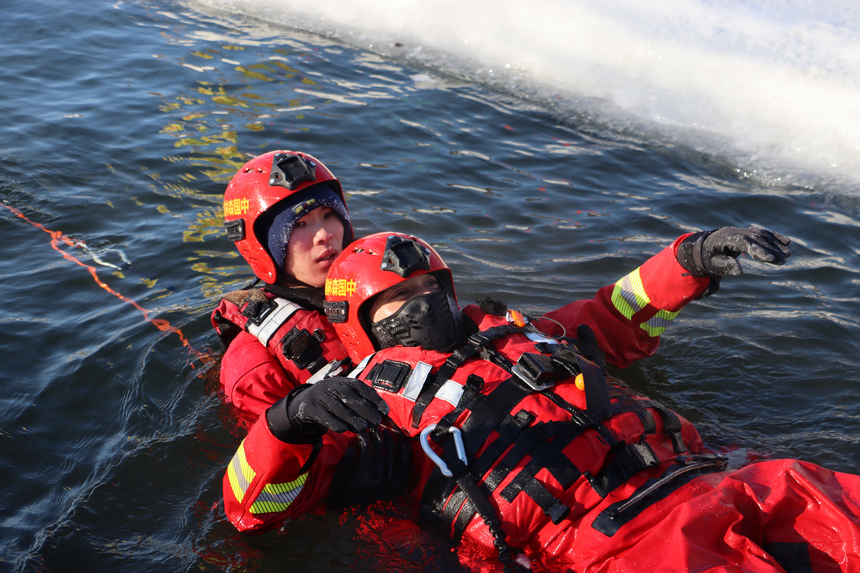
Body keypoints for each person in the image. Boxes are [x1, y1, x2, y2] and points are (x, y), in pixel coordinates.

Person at [222, 229, 860, 571]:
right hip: (614, 546)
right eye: (398, 296)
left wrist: (688, 260)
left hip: (719, 478)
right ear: (360, 319)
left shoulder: (516, 335)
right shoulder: (368, 412)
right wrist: (288, 423)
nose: (422, 303)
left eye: (429, 286)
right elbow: (251, 509)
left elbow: (613, 316)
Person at [210, 150, 356, 424]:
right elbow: (267, 462)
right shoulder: (252, 367)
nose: (325, 234)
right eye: (299, 223)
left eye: (328, 214)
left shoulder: (384, 291)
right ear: (262, 247)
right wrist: (291, 420)